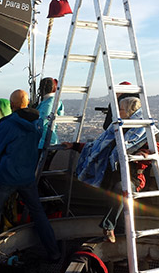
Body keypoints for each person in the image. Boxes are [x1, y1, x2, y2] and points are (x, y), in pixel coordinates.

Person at [0, 89, 61, 262]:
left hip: (7, 175)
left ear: (12, 105)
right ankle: (53, 251)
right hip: (27, 177)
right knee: (38, 213)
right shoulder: (38, 123)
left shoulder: (7, 124)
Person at [64, 97, 157, 243]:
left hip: (132, 177)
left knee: (122, 189)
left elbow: (156, 148)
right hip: (111, 175)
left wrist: (144, 154)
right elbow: (98, 147)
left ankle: (108, 226)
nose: (117, 112)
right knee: (118, 207)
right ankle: (119, 241)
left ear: (129, 111)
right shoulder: (116, 128)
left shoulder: (145, 131)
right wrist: (75, 146)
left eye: (120, 109)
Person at [37, 77, 64, 148]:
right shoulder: (52, 101)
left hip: (45, 142)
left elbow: (43, 120)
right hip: (48, 140)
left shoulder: (50, 103)